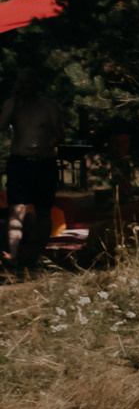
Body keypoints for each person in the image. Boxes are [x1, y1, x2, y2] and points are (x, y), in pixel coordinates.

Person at [2, 68, 66, 268]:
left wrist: (47, 145)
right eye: (20, 82)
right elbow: (1, 126)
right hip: (19, 162)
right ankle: (12, 255)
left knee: (43, 210)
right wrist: (14, 102)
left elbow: (60, 134)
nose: (23, 86)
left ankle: (39, 254)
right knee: (17, 209)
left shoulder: (49, 106)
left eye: (27, 82)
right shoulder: (11, 104)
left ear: (36, 84)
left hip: (43, 163)